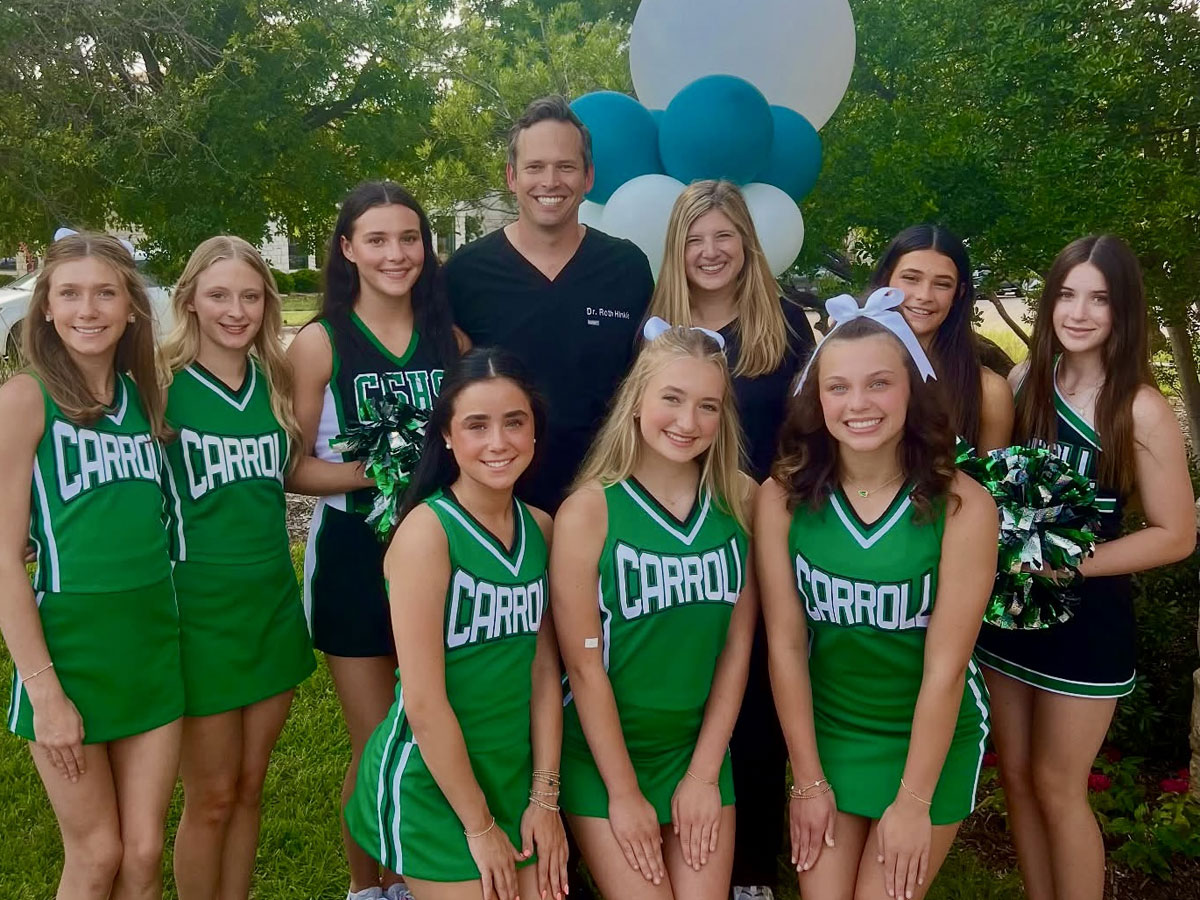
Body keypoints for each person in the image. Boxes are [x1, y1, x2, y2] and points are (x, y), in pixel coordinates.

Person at [757, 288, 997, 900]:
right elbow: (784, 644)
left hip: (928, 739)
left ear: (912, 389)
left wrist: (914, 803)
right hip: (831, 733)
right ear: (817, 398)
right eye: (838, 387)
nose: (857, 403)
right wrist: (806, 782)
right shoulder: (783, 495)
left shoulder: (963, 505)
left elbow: (946, 670)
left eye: (879, 384)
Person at [974, 235, 1195, 900]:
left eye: (1099, 298)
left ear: (1123, 311)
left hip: (1086, 625)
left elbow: (1176, 535)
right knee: (1014, 774)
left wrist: (1065, 562)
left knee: (1057, 785)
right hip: (1010, 616)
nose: (1078, 311)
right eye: (1067, 294)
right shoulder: (1022, 383)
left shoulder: (1139, 407)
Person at [288, 181, 464, 900]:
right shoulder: (321, 341)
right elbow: (291, 466)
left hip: (442, 560)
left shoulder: (450, 340)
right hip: (356, 559)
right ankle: (370, 889)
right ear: (349, 248)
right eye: (379, 239)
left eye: (410, 238)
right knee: (378, 739)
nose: (397, 253)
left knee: (434, 728)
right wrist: (375, 467)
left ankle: (420, 878)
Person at [345, 348, 568, 900]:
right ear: (447, 435)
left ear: (535, 430)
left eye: (514, 422)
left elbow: (543, 672)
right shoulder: (428, 534)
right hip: (432, 784)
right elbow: (422, 701)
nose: (499, 442)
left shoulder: (541, 527)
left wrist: (544, 798)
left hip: (509, 775)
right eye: (477, 425)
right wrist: (480, 827)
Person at [644, 179, 815, 900]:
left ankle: (751, 871)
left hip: (757, 529)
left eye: (724, 236)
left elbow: (807, 437)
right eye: (694, 237)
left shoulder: (787, 326)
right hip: (674, 535)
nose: (710, 251)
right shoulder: (653, 327)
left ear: (747, 242)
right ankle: (656, 838)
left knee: (757, 695)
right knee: (678, 684)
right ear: (676, 247)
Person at [0, 232, 183, 899]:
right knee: (97, 854)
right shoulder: (25, 399)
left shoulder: (145, 398)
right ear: (44, 306)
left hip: (152, 648)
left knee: (140, 855)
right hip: (69, 655)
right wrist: (45, 694)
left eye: (105, 292)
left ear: (131, 307)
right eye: (69, 293)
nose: (88, 309)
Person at [552, 323, 758, 900]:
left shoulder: (742, 499)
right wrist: (622, 794)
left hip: (697, 750)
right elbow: (585, 668)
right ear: (637, 401)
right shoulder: (590, 511)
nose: (687, 422)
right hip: (603, 754)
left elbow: (737, 647)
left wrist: (702, 776)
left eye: (707, 405)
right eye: (671, 398)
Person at [161, 236, 316, 900]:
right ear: (190, 298)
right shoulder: (156, 383)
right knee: (213, 796)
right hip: (198, 613)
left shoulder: (275, 380)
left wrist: (384, 472)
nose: (235, 309)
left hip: (273, 605)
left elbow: (292, 475)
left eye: (250, 296)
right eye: (219, 294)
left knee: (252, 787)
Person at [443, 95, 654, 512]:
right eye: (535, 167)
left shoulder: (627, 267)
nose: (550, 181)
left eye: (566, 166)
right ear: (511, 176)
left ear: (589, 176)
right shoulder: (465, 273)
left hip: (609, 496)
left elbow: (647, 380)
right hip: (501, 505)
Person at [870, 225, 1013, 451]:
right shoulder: (843, 372)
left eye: (942, 284)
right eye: (911, 278)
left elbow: (991, 485)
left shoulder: (988, 391)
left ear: (960, 293)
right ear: (886, 279)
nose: (924, 296)